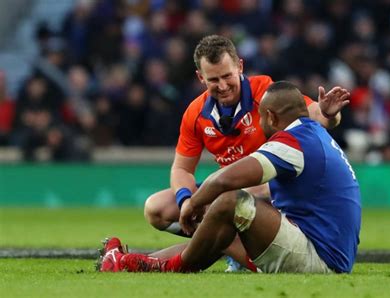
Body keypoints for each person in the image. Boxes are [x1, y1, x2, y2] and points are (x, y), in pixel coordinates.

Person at [98, 81, 361, 274]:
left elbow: (226, 180)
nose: (259, 124)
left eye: (261, 118)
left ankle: (166, 266)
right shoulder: (313, 134)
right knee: (223, 224)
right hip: (326, 250)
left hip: (319, 258)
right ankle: (130, 263)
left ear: (270, 116)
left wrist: (193, 203)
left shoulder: (293, 142)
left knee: (231, 202)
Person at [143, 35, 350, 236]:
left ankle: (234, 248)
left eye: (227, 76)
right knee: (156, 208)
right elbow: (182, 168)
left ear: (240, 67)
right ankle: (225, 246)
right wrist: (186, 201)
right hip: (228, 188)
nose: (222, 86)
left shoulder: (265, 92)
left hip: (273, 188)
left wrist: (329, 114)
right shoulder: (195, 113)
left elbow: (315, 115)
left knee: (234, 196)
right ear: (200, 77)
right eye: (213, 80)